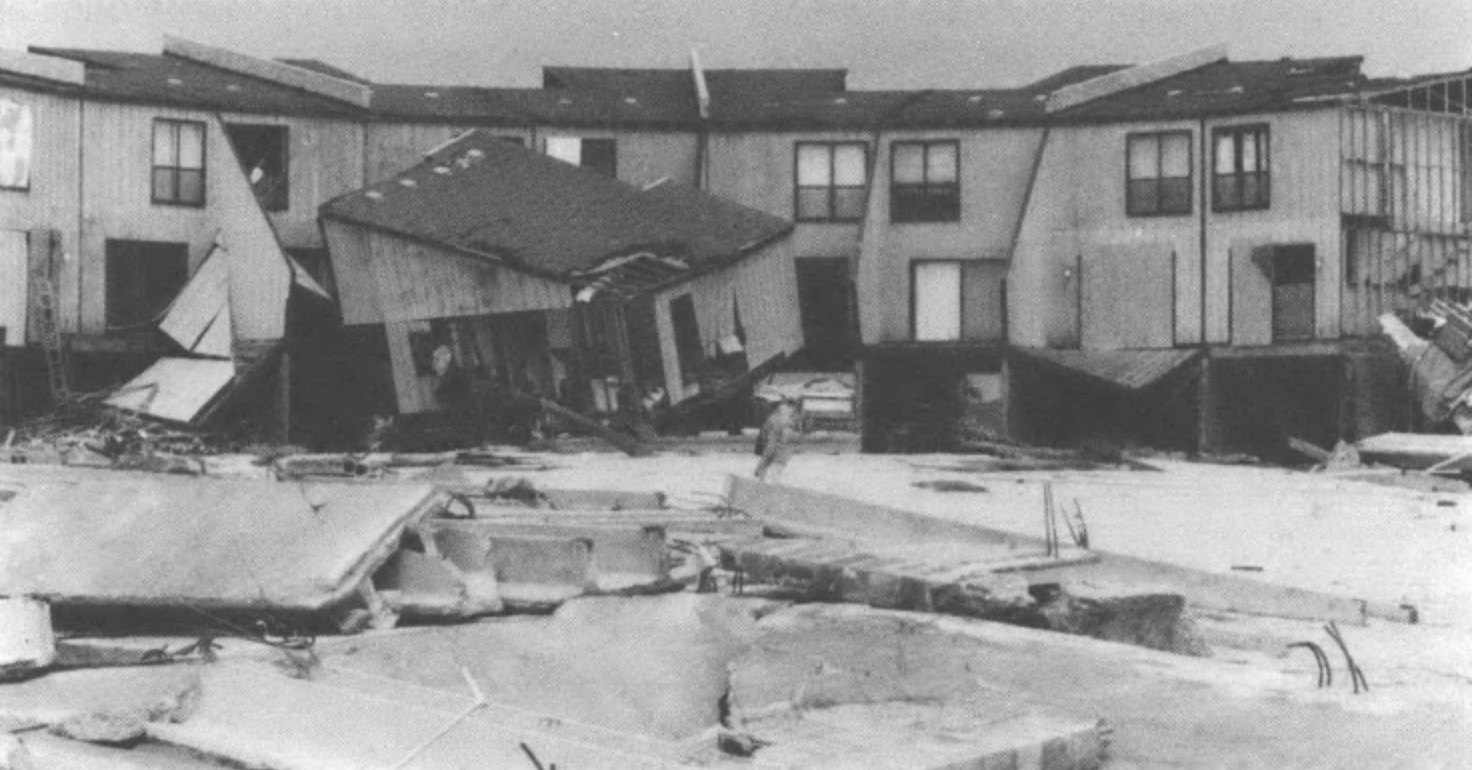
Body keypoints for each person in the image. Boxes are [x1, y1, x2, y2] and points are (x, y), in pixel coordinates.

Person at [754, 397, 802, 482]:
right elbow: (787, 432)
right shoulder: (786, 416)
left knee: (770, 457)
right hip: (781, 445)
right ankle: (769, 480)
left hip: (775, 442)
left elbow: (767, 433)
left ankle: (761, 476)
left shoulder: (775, 416)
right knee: (777, 464)